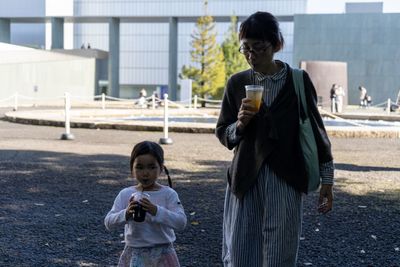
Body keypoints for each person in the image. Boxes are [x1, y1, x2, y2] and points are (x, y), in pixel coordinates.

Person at [215, 12, 334, 267]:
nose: (251, 56)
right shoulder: (237, 83)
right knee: (242, 254)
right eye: (245, 48)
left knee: (280, 255)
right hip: (246, 179)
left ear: (277, 44)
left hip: (286, 179)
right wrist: (240, 124)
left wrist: (328, 178)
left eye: (259, 47)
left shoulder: (298, 81)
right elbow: (223, 133)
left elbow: (316, 130)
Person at [104, 141, 187, 267]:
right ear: (132, 168)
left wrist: (156, 211)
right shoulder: (126, 194)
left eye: (152, 167)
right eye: (140, 167)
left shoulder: (168, 194)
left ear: (161, 168)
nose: (146, 173)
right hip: (134, 253)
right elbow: (108, 223)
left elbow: (181, 222)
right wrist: (125, 214)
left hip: (163, 253)